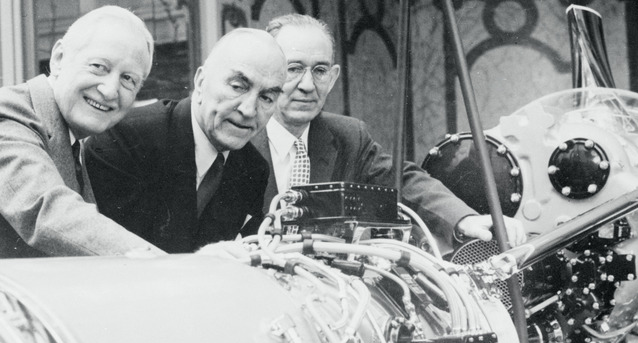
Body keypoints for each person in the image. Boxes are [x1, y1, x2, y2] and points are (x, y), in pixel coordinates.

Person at [251, 14, 526, 247]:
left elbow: (404, 182)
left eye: (320, 71)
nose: (307, 85)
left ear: (333, 78)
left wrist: (465, 219)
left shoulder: (348, 136)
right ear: (269, 74)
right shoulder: (240, 137)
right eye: (294, 69)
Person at [85, 28, 286, 253]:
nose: (249, 110)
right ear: (200, 82)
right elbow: (116, 257)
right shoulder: (127, 138)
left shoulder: (254, 169)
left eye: (266, 97)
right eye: (238, 87)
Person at [0, 6, 165, 258]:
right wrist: (166, 267)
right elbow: (48, 212)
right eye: (99, 66)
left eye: (128, 79)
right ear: (58, 58)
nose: (110, 90)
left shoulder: (73, 139)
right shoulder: (8, 112)